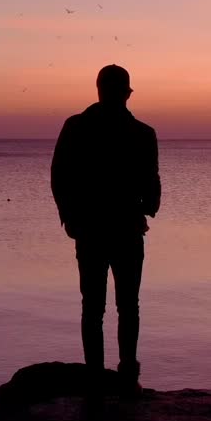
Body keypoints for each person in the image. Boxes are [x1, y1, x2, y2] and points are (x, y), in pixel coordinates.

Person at [51, 64, 160, 398]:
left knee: (98, 307)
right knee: (123, 306)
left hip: (98, 229)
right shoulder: (141, 133)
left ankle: (101, 377)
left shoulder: (78, 127)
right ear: (126, 93)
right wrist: (145, 209)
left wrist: (69, 217)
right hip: (116, 228)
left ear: (99, 90)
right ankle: (123, 374)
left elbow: (60, 176)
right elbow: (151, 184)